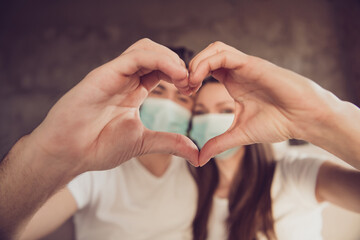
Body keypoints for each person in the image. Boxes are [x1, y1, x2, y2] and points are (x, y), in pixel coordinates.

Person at [1, 39, 360, 240]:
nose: (171, 107)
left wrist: (323, 117)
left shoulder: (206, 169)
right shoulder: (98, 172)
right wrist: (45, 156)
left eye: (185, 101)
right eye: (157, 93)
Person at [16, 48, 199, 240]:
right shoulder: (99, 165)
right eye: (159, 91)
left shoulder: (195, 166)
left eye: (182, 98)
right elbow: (15, 227)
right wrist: (45, 150)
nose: (168, 106)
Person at [186, 42, 360, 240]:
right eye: (200, 112)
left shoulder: (294, 175)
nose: (210, 121)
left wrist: (319, 117)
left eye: (225, 110)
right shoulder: (192, 190)